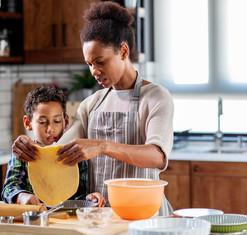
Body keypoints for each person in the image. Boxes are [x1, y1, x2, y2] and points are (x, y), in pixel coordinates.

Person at [11, 2, 173, 215]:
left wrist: (103, 146)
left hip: (144, 212)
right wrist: (29, 145)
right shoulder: (92, 103)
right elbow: (59, 151)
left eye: (100, 62)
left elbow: (157, 157)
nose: (94, 71)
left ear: (123, 51)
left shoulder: (155, 97)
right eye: (89, 63)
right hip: (99, 215)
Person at [2, 86, 105, 206]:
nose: (50, 129)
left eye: (56, 121)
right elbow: (9, 189)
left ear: (65, 122)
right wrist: (21, 197)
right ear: (27, 123)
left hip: (66, 220)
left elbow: (79, 195)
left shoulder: (75, 155)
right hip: (33, 219)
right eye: (42, 122)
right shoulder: (24, 152)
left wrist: (89, 198)